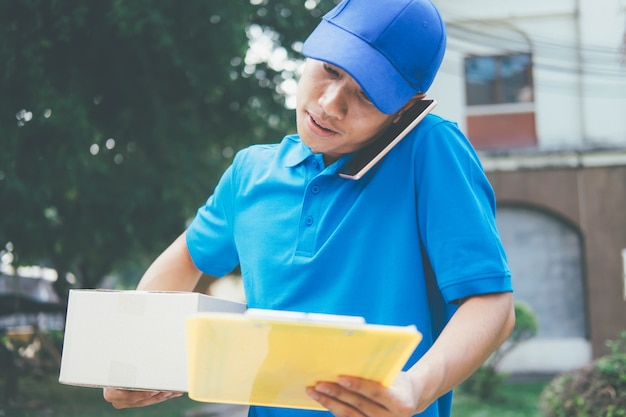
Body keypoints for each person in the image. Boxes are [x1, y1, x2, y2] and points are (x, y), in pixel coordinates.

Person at [103, 0, 515, 416]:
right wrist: (137, 359)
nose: (330, 103)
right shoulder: (250, 171)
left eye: (366, 94)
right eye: (331, 70)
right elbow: (187, 258)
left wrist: (416, 388)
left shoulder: (430, 149)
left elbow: (494, 306)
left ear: (406, 109)